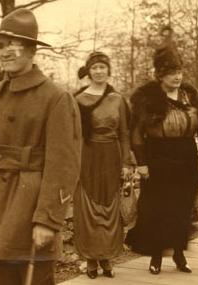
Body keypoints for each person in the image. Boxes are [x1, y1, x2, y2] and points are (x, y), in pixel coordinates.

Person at [0, 8, 82, 285]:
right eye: (2, 45)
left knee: (34, 279)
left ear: (31, 51)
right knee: (3, 279)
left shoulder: (56, 98)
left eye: (15, 45)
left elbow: (63, 164)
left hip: (30, 206)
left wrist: (48, 219)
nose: (6, 52)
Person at [125, 27, 198, 275]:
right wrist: (142, 163)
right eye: (171, 72)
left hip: (186, 159)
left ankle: (180, 256)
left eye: (179, 71)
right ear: (160, 75)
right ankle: (157, 258)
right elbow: (136, 133)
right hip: (157, 159)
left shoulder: (191, 96)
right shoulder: (147, 98)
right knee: (158, 210)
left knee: (182, 208)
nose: (177, 77)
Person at [72, 51, 132, 279]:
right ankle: (90, 260)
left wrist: (126, 162)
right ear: (88, 71)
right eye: (94, 68)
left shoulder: (117, 99)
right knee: (89, 208)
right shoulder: (77, 100)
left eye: (102, 67)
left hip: (111, 157)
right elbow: (74, 136)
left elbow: (125, 133)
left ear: (108, 70)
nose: (98, 71)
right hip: (88, 157)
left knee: (110, 207)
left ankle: (106, 258)